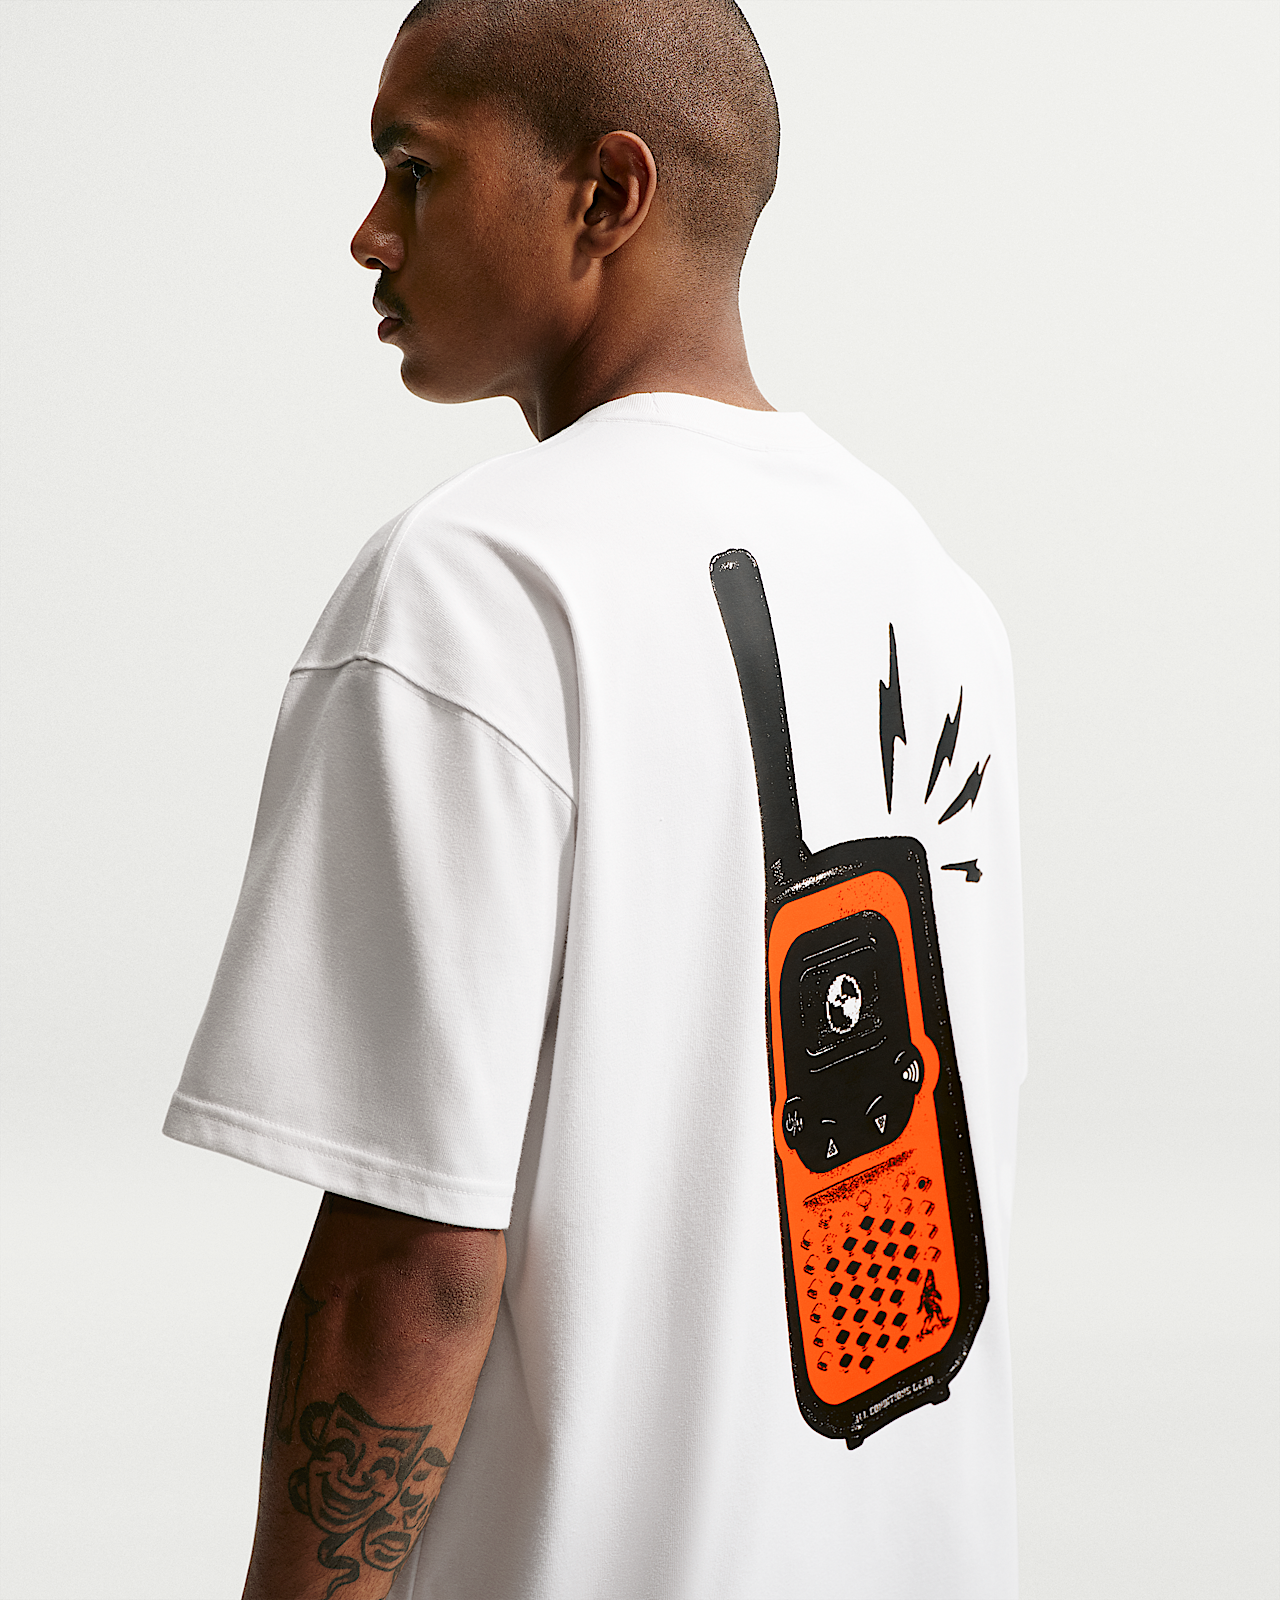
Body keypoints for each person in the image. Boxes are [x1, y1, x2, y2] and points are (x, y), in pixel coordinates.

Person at [164, 1, 1027, 1596]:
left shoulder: (478, 586)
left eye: (415, 170)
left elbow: (414, 1271)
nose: (370, 233)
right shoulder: (937, 593)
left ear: (606, 195)